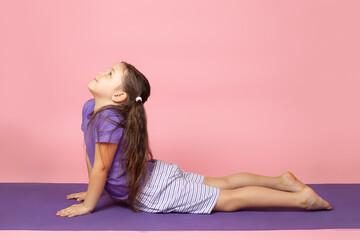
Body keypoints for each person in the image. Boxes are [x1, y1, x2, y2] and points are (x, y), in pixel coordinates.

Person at [56, 61, 332, 218]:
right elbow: (94, 158)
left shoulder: (106, 118)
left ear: (118, 96)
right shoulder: (90, 109)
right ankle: (282, 182)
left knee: (227, 199)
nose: (101, 72)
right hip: (152, 174)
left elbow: (101, 168)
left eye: (109, 74)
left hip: (151, 190)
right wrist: (96, 188)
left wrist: (89, 204)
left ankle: (302, 200)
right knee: (222, 183)